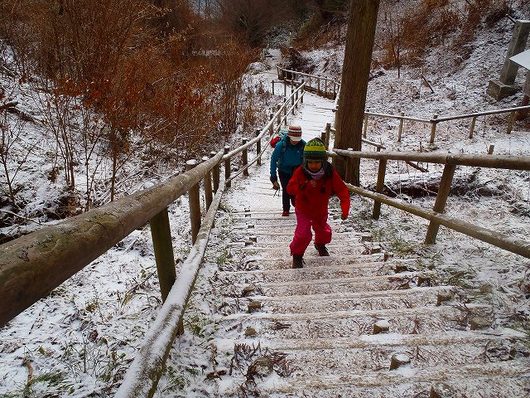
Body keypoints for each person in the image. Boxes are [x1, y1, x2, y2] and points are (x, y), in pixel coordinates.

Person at [287, 137, 350, 268]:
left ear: (323, 161)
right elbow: (290, 188)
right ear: (306, 161)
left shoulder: (329, 173)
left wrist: (345, 209)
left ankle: (320, 244)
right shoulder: (300, 172)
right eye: (310, 162)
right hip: (303, 208)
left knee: (323, 231)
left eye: (317, 162)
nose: (313, 165)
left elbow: (342, 190)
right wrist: (302, 185)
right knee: (303, 234)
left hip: (320, 209)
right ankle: (297, 255)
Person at [270, 125, 306, 216]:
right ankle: (286, 209)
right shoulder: (281, 145)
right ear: (289, 136)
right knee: (286, 189)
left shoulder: (303, 145)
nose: (295, 141)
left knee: (296, 189)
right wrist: (273, 177)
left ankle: (296, 204)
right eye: (293, 139)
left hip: (297, 171)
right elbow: (273, 160)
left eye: (297, 139)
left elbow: (308, 160)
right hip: (283, 171)